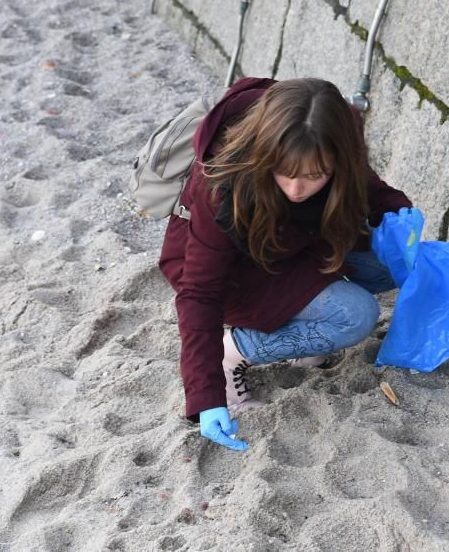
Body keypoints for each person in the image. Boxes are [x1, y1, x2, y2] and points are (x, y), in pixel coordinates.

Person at [159, 77, 412, 451]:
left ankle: (306, 332)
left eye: (314, 176)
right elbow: (199, 291)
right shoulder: (222, 183)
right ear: (265, 153)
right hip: (233, 272)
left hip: (295, 244)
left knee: (394, 263)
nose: (296, 190)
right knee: (356, 315)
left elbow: (365, 183)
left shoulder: (326, 130)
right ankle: (237, 350)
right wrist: (205, 394)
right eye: (285, 173)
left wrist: (398, 212)